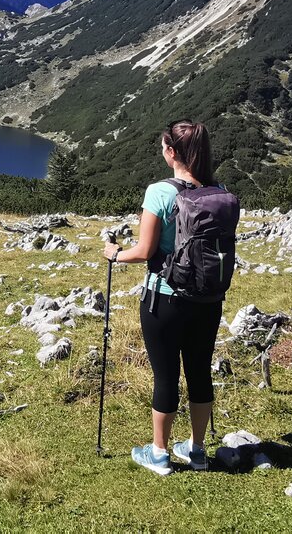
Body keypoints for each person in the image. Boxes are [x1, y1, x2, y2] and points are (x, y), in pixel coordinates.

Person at [103, 119, 223, 475]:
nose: (161, 152)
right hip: (207, 299)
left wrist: (113, 254)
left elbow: (144, 251)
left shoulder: (159, 191)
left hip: (165, 299)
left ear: (172, 152)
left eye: (162, 147)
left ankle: (159, 453)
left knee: (166, 376)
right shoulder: (216, 191)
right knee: (200, 371)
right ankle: (197, 450)